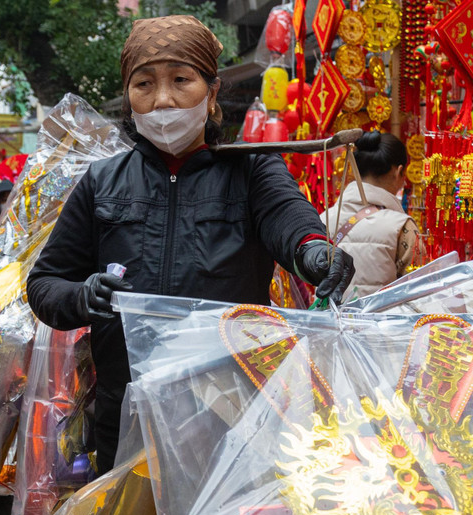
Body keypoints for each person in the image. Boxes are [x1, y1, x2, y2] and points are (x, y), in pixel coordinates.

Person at [27, 14, 354, 482]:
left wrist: (316, 254)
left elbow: (290, 221)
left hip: (232, 415)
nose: (163, 99)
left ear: (212, 92)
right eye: (144, 84)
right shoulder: (101, 182)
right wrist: (82, 296)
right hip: (127, 416)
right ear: (129, 98)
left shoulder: (253, 171)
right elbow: (44, 283)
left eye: (181, 80)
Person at [321, 131, 421, 298]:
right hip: (382, 315)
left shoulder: (323, 219)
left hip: (328, 315)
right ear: (398, 172)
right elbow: (418, 289)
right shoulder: (402, 227)